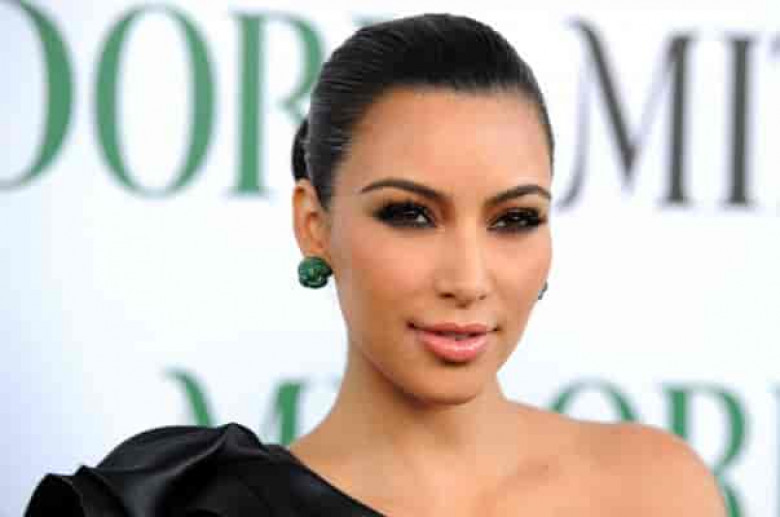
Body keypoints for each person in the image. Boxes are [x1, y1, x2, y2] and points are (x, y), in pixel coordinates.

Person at [26, 13, 726, 517]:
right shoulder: (189, 505)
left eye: (513, 219)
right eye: (410, 214)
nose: (468, 280)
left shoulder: (657, 488)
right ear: (315, 225)